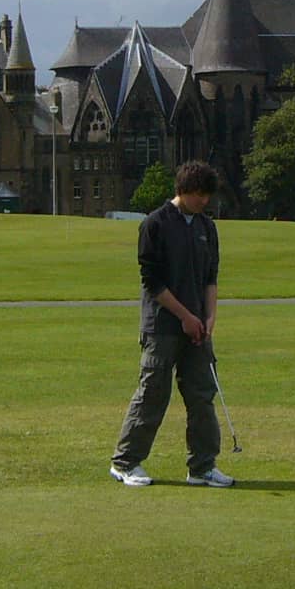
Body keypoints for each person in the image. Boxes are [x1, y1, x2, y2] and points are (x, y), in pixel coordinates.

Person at [109, 159, 234, 489]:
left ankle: (202, 467)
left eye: (208, 196)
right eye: (199, 195)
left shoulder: (207, 227)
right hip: (162, 325)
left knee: (202, 395)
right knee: (152, 394)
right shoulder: (155, 224)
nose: (204, 201)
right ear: (183, 190)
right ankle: (125, 462)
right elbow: (151, 281)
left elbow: (211, 279)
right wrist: (185, 316)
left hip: (197, 329)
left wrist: (209, 319)